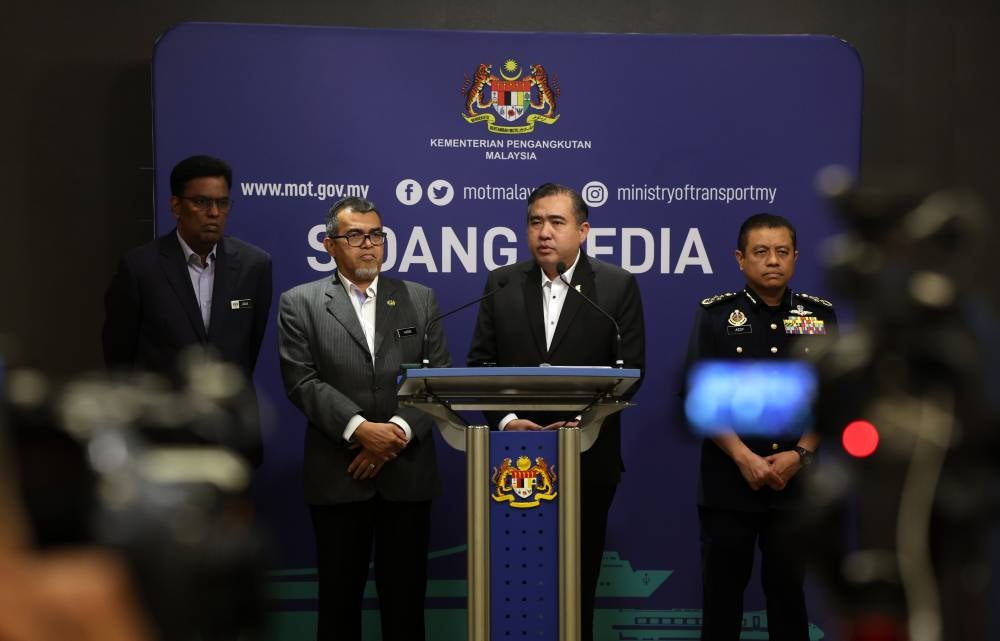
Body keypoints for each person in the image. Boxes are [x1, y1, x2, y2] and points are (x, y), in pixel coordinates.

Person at [467, 183, 645, 641]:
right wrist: (507, 422)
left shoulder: (616, 285)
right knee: (517, 582)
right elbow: (480, 365)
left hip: (588, 458)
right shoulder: (501, 283)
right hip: (514, 461)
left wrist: (579, 424)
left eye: (557, 222)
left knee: (576, 584)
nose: (544, 232)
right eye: (535, 221)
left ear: (583, 231)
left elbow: (630, 372)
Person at [277, 197, 449, 641]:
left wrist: (395, 433)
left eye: (376, 235)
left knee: (406, 606)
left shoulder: (420, 299)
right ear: (329, 244)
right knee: (338, 605)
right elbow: (302, 381)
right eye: (355, 236)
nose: (368, 245)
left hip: (407, 474)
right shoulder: (301, 303)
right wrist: (361, 431)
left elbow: (436, 381)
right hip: (339, 473)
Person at [683, 213, 837, 641]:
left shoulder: (819, 315)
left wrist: (800, 455)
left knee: (789, 597)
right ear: (740, 259)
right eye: (761, 252)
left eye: (782, 252)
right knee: (721, 600)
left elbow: (831, 399)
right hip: (729, 484)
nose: (773, 261)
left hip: (794, 486)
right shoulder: (714, 315)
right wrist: (743, 457)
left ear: (795, 257)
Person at [102, 155, 272, 465]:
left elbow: (248, 348)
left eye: (222, 203)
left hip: (231, 439)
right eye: (202, 202)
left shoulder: (254, 265)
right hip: (162, 441)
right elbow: (119, 358)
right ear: (176, 206)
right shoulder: (140, 268)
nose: (214, 213)